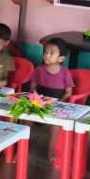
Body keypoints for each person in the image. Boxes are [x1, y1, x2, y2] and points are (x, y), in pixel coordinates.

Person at [30, 37, 74, 165]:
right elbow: (32, 88)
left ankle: (51, 148)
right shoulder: (39, 70)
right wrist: (37, 97)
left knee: (56, 122)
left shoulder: (65, 73)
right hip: (39, 102)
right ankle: (22, 146)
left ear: (60, 58)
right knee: (26, 118)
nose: (46, 55)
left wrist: (58, 102)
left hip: (56, 104)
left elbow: (68, 93)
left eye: (51, 53)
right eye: (45, 52)